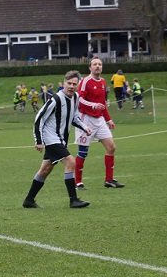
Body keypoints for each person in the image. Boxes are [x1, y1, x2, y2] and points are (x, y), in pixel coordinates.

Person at [23, 70, 91, 209]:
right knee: (71, 162)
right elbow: (39, 119)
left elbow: (74, 117)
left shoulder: (76, 97)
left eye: (74, 84)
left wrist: (85, 127)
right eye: (69, 83)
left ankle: (29, 200)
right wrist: (39, 140)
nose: (71, 86)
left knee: (45, 170)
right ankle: (73, 200)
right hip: (51, 138)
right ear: (63, 83)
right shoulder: (56, 99)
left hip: (60, 140)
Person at [74, 58, 125, 189]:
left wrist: (108, 119)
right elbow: (79, 99)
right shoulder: (85, 81)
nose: (97, 66)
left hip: (99, 120)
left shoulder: (102, 81)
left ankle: (109, 180)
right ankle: (78, 182)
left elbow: (102, 103)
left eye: (100, 64)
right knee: (83, 152)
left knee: (111, 147)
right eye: (95, 64)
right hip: (85, 119)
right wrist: (93, 105)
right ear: (90, 67)